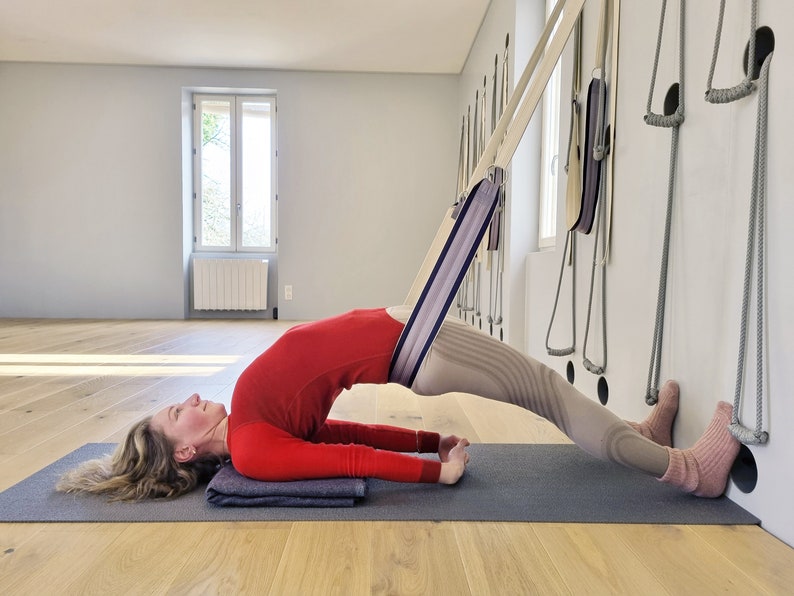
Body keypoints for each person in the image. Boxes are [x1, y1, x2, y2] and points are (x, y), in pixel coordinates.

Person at [57, 306, 740, 501]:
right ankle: (689, 472)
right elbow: (346, 459)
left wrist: (421, 442)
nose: (192, 399)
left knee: (549, 392)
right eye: (180, 412)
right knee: (552, 395)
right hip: (417, 348)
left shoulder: (255, 422)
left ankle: (638, 436)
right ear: (184, 449)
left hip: (411, 335)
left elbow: (341, 430)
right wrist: (431, 473)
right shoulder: (255, 449)